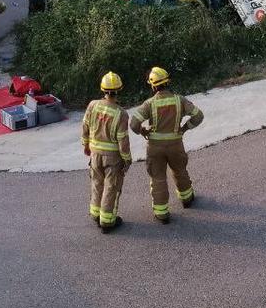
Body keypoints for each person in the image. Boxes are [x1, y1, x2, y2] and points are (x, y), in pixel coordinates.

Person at [129, 66, 204, 223]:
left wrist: (143, 132)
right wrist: (184, 128)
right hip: (176, 144)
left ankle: (161, 213)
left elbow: (134, 124)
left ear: (153, 85)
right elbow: (198, 116)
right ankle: (187, 199)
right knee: (180, 171)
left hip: (155, 147)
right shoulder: (180, 100)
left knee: (158, 178)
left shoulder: (149, 103)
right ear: (167, 82)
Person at [82, 71, 131, 233]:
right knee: (111, 187)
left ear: (102, 89)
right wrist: (127, 159)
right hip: (113, 159)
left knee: (97, 184)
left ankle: (96, 215)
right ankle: (107, 221)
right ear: (119, 90)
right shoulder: (121, 114)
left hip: (95, 155)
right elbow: (123, 140)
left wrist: (86, 145)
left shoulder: (92, 105)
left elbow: (85, 126)